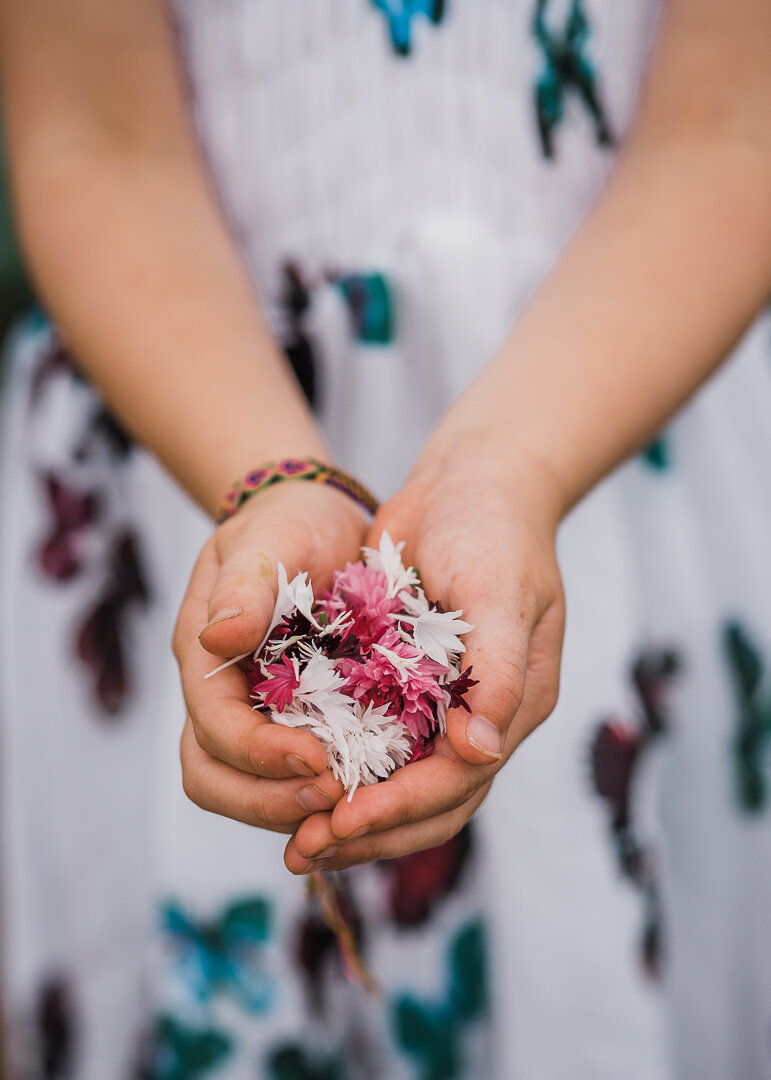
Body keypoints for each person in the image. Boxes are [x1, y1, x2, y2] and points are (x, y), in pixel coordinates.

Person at [0, 0, 770, 1077]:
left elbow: (732, 131)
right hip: (191, 409)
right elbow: (93, 142)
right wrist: (270, 479)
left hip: (619, 408)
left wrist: (510, 470)